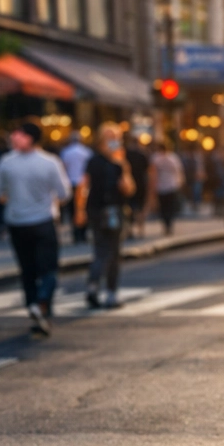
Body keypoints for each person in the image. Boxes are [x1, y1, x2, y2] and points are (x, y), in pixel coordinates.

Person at [0, 121, 72, 335]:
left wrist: (11, 199)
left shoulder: (7, 162)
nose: (13, 138)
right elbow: (64, 193)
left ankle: (33, 307)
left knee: (27, 270)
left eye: (17, 134)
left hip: (16, 221)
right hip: (44, 220)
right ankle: (43, 303)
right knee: (49, 269)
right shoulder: (50, 162)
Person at [75, 124, 136, 309]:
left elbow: (129, 189)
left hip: (114, 210)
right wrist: (80, 210)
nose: (113, 141)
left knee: (110, 252)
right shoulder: (94, 161)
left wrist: (123, 166)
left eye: (116, 137)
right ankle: (99, 289)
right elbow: (83, 186)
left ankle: (105, 290)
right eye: (110, 137)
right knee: (105, 251)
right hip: (100, 210)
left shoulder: (119, 162)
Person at [58, 130, 93, 243]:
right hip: (84, 183)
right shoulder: (87, 152)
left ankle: (76, 234)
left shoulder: (66, 152)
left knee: (73, 210)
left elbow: (63, 168)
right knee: (84, 208)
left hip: (72, 183)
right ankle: (83, 233)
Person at [150, 142, 185, 235]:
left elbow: (152, 173)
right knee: (169, 207)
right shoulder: (173, 158)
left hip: (162, 186)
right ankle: (169, 225)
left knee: (164, 207)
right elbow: (179, 171)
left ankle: (166, 225)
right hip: (171, 185)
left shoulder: (156, 158)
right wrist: (180, 182)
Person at [125, 134, 150, 239]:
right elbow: (148, 171)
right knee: (140, 207)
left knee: (129, 207)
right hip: (140, 183)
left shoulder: (126, 154)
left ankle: (129, 230)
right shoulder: (142, 154)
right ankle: (141, 229)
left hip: (130, 183)